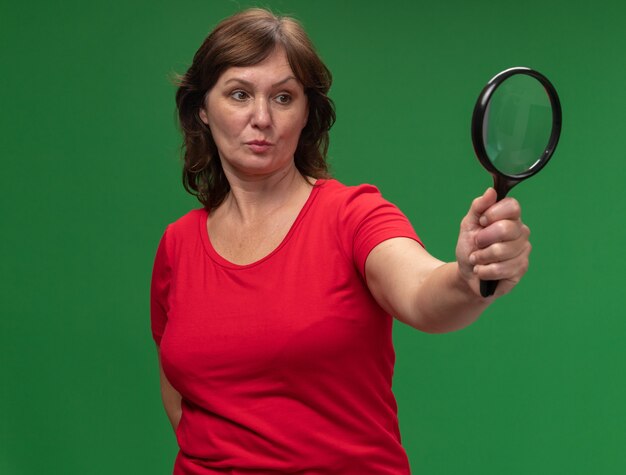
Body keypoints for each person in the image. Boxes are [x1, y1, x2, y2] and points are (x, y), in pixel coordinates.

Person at [150, 8, 531, 475]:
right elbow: (182, 397)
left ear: (307, 112)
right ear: (203, 110)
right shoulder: (178, 245)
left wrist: (468, 276)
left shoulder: (353, 216)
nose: (262, 117)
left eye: (284, 97)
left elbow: (422, 292)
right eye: (239, 94)